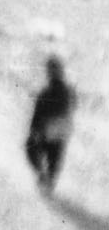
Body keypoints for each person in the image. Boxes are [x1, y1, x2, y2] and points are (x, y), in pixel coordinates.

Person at [35, 54, 75, 196]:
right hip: (58, 127)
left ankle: (47, 180)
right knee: (52, 155)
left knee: (48, 153)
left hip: (56, 127)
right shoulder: (63, 91)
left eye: (52, 69)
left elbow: (40, 109)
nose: (50, 72)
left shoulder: (54, 91)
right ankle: (47, 180)